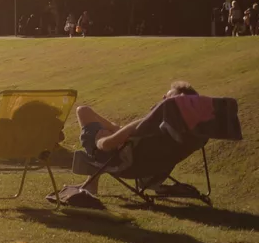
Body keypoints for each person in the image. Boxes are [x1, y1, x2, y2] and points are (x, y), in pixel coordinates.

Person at [57, 81, 207, 206]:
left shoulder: (145, 125)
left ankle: (91, 184)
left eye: (166, 98)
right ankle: (91, 183)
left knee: (83, 111)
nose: (162, 97)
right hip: (150, 169)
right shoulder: (189, 134)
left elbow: (106, 145)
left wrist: (100, 139)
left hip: (122, 162)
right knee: (103, 122)